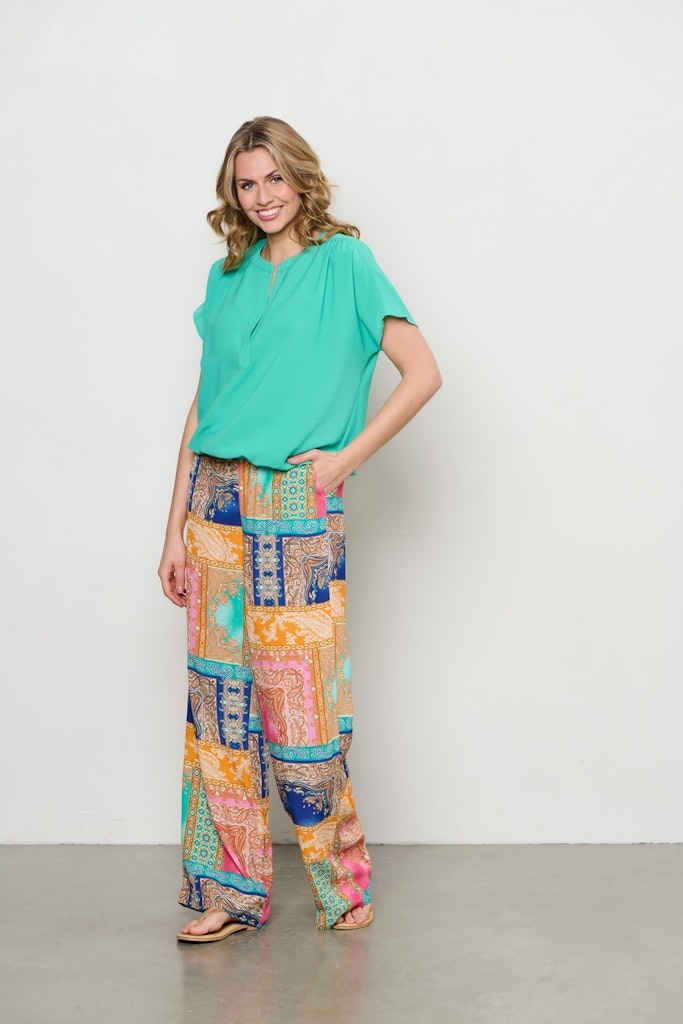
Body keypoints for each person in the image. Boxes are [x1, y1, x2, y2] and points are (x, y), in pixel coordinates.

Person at [158, 116, 441, 942]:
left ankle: (340, 885)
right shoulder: (227, 276)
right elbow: (204, 410)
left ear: (300, 177)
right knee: (220, 705)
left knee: (303, 706)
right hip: (214, 500)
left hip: (292, 497)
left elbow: (422, 373)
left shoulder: (344, 263)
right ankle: (229, 891)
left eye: (273, 178)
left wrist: (343, 458)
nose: (262, 196)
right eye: (246, 184)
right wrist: (172, 529)